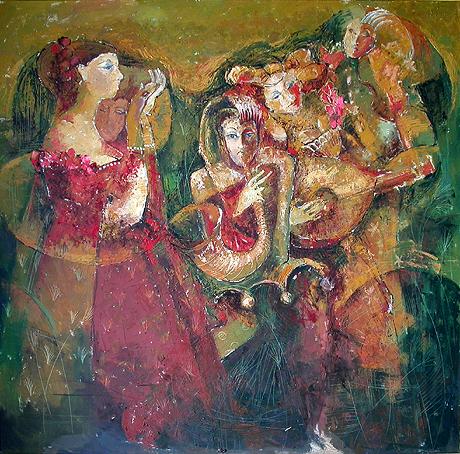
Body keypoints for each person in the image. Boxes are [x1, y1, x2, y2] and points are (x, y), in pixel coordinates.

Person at [8, 37, 228, 448]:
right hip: (86, 260)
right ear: (80, 75)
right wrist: (135, 156)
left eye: (115, 66)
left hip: (123, 247)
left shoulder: (103, 129)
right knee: (128, 340)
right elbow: (115, 214)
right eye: (106, 67)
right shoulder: (63, 135)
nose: (117, 75)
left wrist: (140, 123)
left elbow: (144, 197)